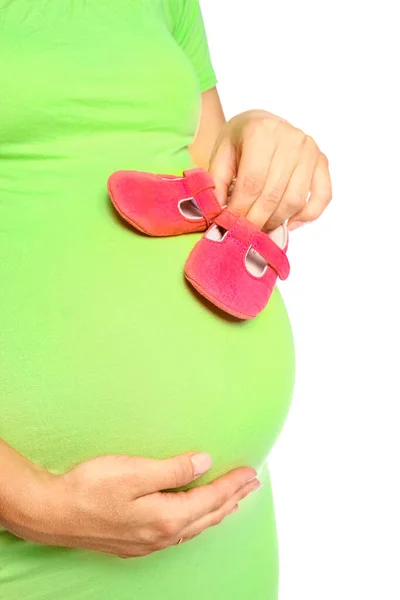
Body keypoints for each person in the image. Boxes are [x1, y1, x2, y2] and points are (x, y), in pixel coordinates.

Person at [0, 1, 332, 599]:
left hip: (226, 539)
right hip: (30, 557)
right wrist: (30, 503)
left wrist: (258, 139)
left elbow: (205, 170)